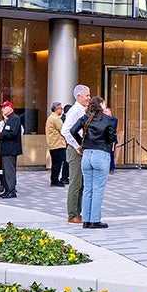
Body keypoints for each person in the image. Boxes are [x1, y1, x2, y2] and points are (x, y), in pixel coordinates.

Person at [77, 93, 118, 228]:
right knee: (98, 188)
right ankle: (95, 220)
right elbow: (111, 137)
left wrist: (81, 144)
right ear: (101, 105)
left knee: (88, 188)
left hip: (87, 154)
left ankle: (86, 220)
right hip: (101, 154)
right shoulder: (107, 119)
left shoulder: (85, 118)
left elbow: (72, 130)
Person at [62, 87, 89, 224]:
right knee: (76, 183)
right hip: (75, 150)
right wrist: (77, 145)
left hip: (80, 150)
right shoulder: (74, 111)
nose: (88, 98)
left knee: (81, 183)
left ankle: (77, 212)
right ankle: (72, 214)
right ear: (78, 96)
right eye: (86, 95)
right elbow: (65, 130)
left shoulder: (82, 110)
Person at [0, 101, 24, 198]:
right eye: (2, 108)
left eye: (4, 107)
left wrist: (1, 134)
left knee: (9, 171)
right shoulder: (9, 119)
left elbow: (12, 133)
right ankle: (7, 189)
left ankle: (11, 190)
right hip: (5, 149)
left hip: (10, 150)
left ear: (10, 108)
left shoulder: (14, 119)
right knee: (5, 170)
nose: (2, 109)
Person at [45, 102, 67, 187]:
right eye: (60, 108)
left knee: (55, 163)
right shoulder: (56, 119)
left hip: (53, 144)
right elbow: (63, 129)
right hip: (58, 144)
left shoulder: (51, 117)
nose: (61, 110)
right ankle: (55, 180)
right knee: (57, 163)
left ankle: (54, 179)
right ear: (57, 109)